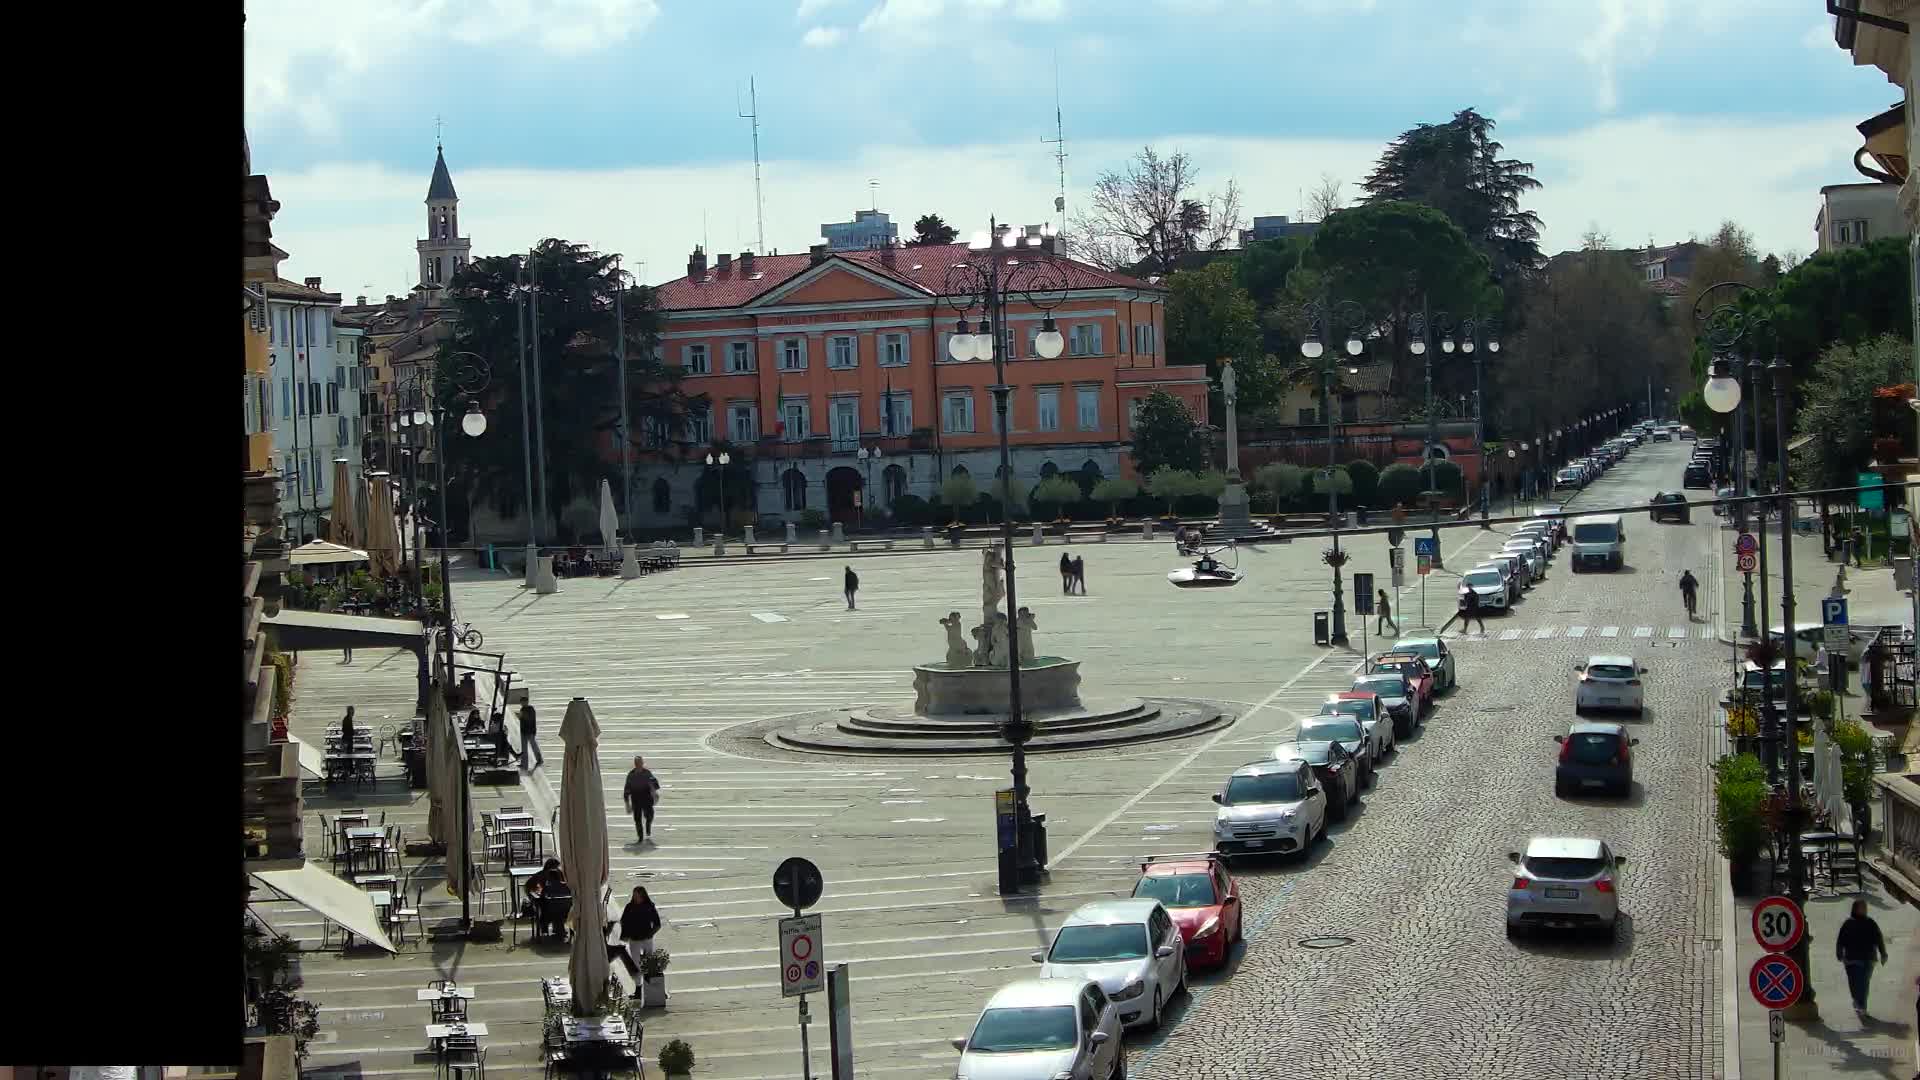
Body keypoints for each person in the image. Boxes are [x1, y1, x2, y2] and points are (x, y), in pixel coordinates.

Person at [1835, 897, 1888, 1015]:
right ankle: (1858, 1001)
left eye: (1865, 907)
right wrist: (1839, 954)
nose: (1864, 909)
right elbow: (1841, 940)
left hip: (1868, 958)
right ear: (1855, 909)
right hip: (1852, 959)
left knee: (1864, 983)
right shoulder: (1848, 924)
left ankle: (1861, 1005)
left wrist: (1883, 953)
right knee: (1854, 983)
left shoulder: (1871, 923)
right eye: (1862, 907)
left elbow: (1879, 939)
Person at [620, 885, 663, 964]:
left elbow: (657, 924)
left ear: (643, 896)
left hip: (646, 939)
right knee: (636, 962)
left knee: (649, 962)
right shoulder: (629, 907)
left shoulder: (649, 906)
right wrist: (625, 935)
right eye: (634, 895)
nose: (635, 898)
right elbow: (624, 921)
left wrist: (650, 934)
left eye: (637, 896)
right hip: (634, 939)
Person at [623, 755, 661, 843]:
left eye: (640, 762)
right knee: (637, 819)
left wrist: (654, 792)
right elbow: (627, 789)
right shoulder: (631, 775)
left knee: (649, 815)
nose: (638, 764)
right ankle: (640, 837)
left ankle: (648, 827)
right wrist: (627, 803)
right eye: (637, 763)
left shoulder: (647, 773)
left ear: (642, 763)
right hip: (636, 799)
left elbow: (654, 783)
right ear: (635, 764)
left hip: (646, 798)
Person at [518, 701, 543, 769]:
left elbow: (527, 719)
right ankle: (525, 763)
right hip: (527, 731)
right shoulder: (526, 709)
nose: (522, 704)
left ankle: (536, 760)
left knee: (529, 747)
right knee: (527, 747)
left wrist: (521, 716)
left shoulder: (528, 709)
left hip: (528, 731)